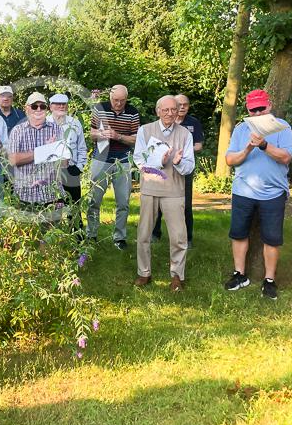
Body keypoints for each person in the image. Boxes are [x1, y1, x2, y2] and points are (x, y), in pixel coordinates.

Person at [223, 89, 292, 299]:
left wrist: (263, 144)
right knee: (238, 233)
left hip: (273, 192)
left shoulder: (282, 127)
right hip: (243, 190)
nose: (257, 113)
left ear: (269, 106)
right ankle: (239, 274)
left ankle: (269, 279)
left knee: (272, 238)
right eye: (253, 110)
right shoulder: (240, 129)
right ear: (248, 110)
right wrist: (247, 149)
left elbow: (285, 157)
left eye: (261, 108)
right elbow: (229, 160)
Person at [133, 95, 195, 291]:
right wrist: (159, 162)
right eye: (165, 110)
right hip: (150, 189)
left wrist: (177, 162)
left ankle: (177, 276)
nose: (170, 113)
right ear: (158, 111)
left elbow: (189, 167)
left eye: (173, 109)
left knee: (178, 236)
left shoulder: (185, 134)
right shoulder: (145, 130)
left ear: (178, 111)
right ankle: (144, 273)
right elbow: (139, 160)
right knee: (144, 234)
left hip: (174, 191)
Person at [86, 85, 140, 248]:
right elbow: (91, 133)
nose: (118, 103)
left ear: (126, 98)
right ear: (110, 98)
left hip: (123, 160)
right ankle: (91, 235)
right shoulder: (99, 108)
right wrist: (102, 134)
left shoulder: (132, 112)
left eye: (122, 100)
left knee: (123, 202)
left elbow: (136, 139)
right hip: (101, 159)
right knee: (94, 200)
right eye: (116, 100)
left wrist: (118, 136)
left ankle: (119, 237)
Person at [152, 93, 204, 246]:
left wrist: (183, 152)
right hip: (163, 166)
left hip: (183, 167)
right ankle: (155, 234)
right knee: (158, 201)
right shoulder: (163, 122)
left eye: (185, 105)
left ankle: (187, 238)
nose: (182, 107)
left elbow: (199, 145)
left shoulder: (193, 123)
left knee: (185, 204)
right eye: (178, 105)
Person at [7, 92, 64, 210]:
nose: (38, 109)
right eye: (34, 106)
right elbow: (13, 159)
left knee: (52, 228)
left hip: (50, 192)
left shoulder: (57, 130)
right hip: (25, 193)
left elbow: (64, 163)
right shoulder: (17, 131)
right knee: (26, 228)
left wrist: (56, 151)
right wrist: (45, 151)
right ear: (27, 108)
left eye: (42, 106)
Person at [48, 93, 87, 235]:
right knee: (52, 208)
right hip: (50, 174)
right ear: (51, 106)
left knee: (74, 208)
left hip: (70, 171)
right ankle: (54, 241)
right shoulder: (44, 123)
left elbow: (82, 148)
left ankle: (78, 240)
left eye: (63, 104)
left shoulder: (74, 123)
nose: (61, 107)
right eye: (57, 104)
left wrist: (79, 168)